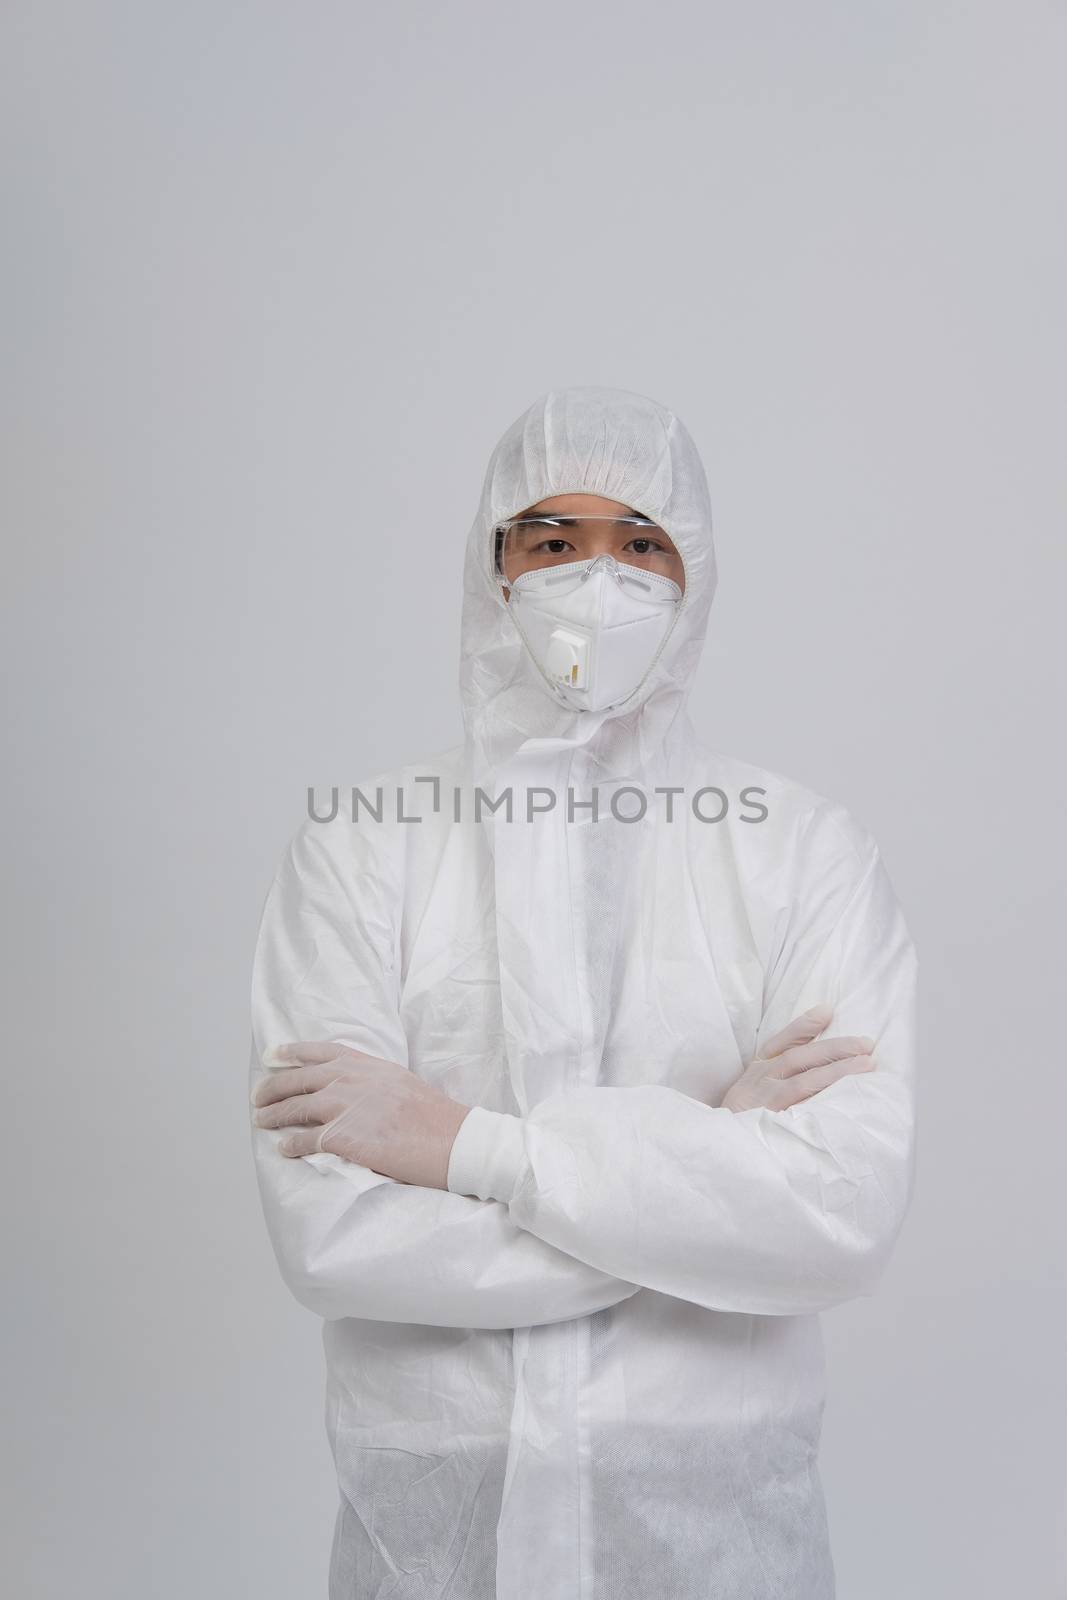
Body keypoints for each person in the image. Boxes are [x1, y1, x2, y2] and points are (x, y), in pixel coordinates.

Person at [249, 385, 918, 1600]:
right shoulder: (361, 846)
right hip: (435, 1534)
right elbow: (331, 1236)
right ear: (490, 567)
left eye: (640, 543)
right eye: (553, 541)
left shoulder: (801, 852)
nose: (596, 583)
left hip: (716, 1533)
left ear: (694, 574)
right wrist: (705, 1163)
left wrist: (463, 1147)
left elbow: (839, 1213)